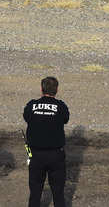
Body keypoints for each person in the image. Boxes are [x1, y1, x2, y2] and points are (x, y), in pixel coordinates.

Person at [23, 76, 70, 207]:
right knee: (58, 192)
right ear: (57, 90)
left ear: (41, 89)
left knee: (35, 192)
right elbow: (66, 119)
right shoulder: (61, 106)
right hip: (56, 155)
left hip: (36, 155)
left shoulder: (31, 105)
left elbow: (26, 117)